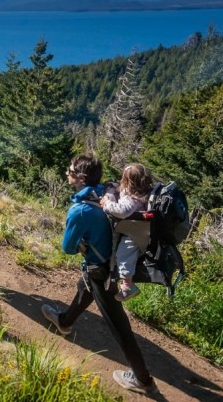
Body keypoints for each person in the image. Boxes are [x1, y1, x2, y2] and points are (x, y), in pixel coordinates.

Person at [41, 155, 158, 396]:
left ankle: (142, 379)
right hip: (109, 264)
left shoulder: (81, 210)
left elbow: (67, 248)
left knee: (119, 325)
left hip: (105, 272)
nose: (67, 172)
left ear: (81, 178)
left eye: (70, 170)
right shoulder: (103, 191)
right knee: (84, 286)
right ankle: (64, 321)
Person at [101, 163, 155, 302]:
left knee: (123, 256)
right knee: (124, 255)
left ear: (128, 182)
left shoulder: (133, 199)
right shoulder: (143, 192)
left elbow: (122, 211)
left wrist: (106, 203)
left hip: (134, 233)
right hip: (137, 229)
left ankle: (128, 286)